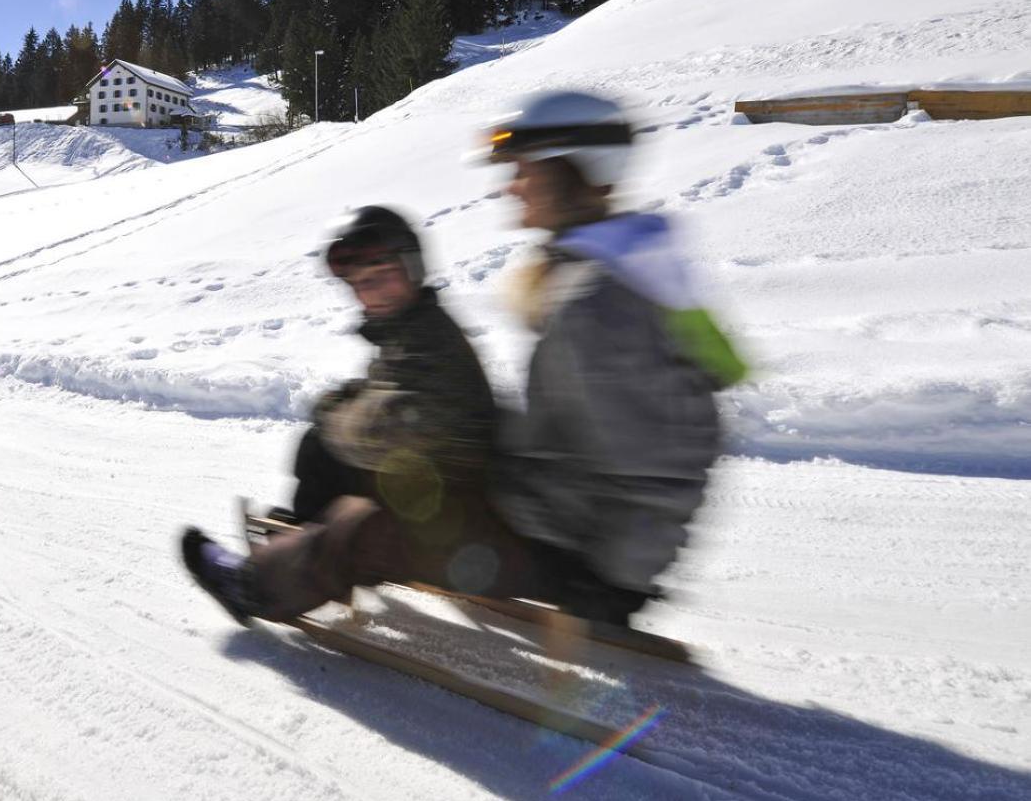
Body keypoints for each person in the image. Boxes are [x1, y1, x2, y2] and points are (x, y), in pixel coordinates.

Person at [183, 91, 744, 628]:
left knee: (369, 526)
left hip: (571, 554)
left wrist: (613, 582)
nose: (513, 187)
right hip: (541, 511)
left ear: (573, 167)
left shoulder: (602, 298)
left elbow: (663, 460)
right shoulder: (605, 276)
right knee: (394, 486)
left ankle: (257, 587)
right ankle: (305, 546)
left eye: (524, 169)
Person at [182, 205, 503, 623]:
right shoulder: (410, 331)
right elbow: (386, 395)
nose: (371, 292)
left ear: (411, 268)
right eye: (360, 284)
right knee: (320, 445)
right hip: (444, 491)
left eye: (382, 276)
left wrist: (338, 414)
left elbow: (392, 429)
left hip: (459, 521)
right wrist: (344, 406)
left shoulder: (431, 340)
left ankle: (253, 585)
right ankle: (302, 532)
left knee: (356, 519)